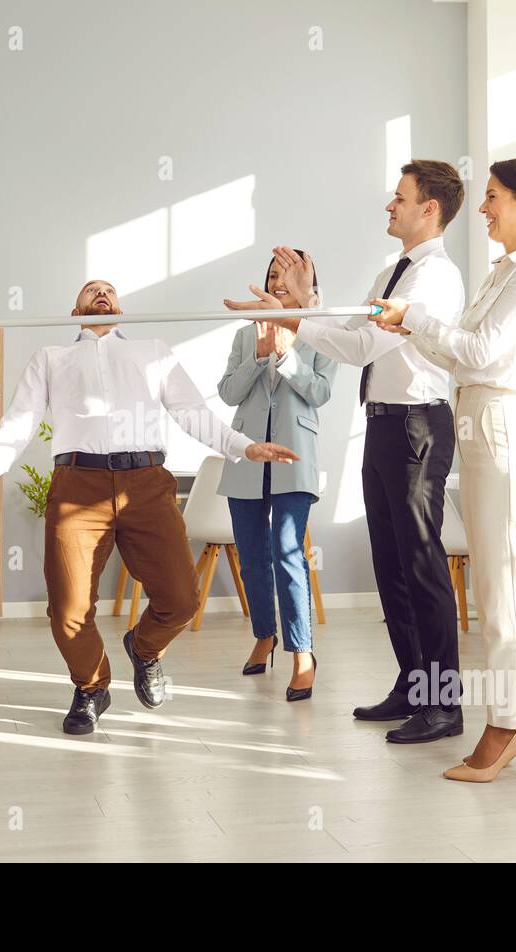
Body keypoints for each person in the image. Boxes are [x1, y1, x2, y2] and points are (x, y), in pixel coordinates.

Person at [0, 280, 299, 735]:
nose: (101, 294)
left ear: (120, 310)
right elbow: (20, 421)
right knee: (68, 610)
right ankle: (91, 687)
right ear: (76, 311)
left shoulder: (153, 351)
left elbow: (193, 413)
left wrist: (243, 447)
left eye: (108, 290)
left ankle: (144, 649)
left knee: (181, 599)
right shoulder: (52, 358)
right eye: (91, 291)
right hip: (77, 485)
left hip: (146, 483)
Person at [227, 160, 467, 743]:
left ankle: (444, 704)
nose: (390, 206)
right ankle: (413, 687)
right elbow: (341, 334)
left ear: (429, 209)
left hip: (418, 428)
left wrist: (294, 313)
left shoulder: (432, 277)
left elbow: (359, 347)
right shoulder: (393, 271)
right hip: (383, 426)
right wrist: (302, 307)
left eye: (400, 198)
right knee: (390, 564)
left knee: (421, 564)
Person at [371, 157, 516, 782]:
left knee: (502, 590)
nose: (483, 209)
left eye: (493, 197)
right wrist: (417, 326)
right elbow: (460, 349)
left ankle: (507, 725)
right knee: (493, 587)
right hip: (481, 426)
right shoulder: (504, 273)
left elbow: (477, 351)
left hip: (504, 432)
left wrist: (414, 321)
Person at [216, 250, 336, 701]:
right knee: (251, 558)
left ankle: (302, 652)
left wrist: (287, 358)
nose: (278, 280)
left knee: (288, 553)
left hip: (295, 456)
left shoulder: (323, 333)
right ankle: (265, 635)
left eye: (288, 273)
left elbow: (320, 392)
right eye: (272, 274)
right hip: (248, 457)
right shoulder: (247, 334)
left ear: (307, 281)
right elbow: (228, 393)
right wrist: (259, 357)